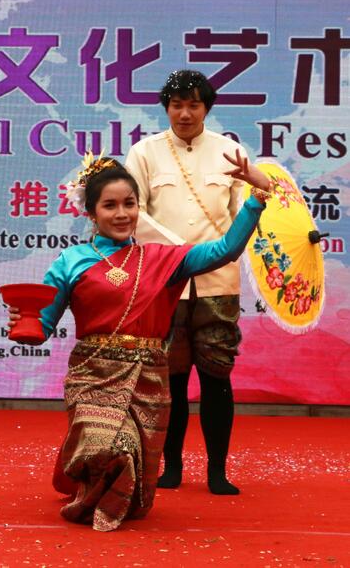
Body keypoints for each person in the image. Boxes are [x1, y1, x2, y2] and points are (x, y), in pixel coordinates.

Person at [7, 153, 270, 531]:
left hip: (149, 380)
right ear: (91, 213)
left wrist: (257, 197)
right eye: (110, 205)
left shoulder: (163, 259)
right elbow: (41, 326)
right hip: (92, 376)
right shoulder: (71, 261)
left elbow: (225, 250)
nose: (121, 214)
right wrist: (24, 321)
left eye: (129, 204)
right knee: (110, 444)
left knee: (134, 476)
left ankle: (101, 487)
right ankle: (90, 495)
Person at [124, 70, 249, 495]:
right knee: (170, 379)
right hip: (165, 280)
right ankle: (171, 467)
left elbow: (243, 216)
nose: (184, 113)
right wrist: (177, 252)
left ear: (206, 108)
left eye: (193, 105)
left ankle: (218, 471)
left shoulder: (231, 152)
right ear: (166, 108)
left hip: (219, 282)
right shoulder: (144, 152)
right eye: (177, 105)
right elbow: (133, 212)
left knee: (217, 376)